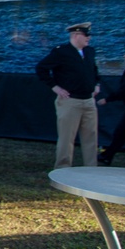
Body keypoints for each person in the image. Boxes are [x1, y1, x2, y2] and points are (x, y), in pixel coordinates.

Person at [35, 22, 101, 168]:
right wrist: (55, 87)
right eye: (86, 35)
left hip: (88, 100)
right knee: (67, 138)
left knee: (91, 137)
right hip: (70, 101)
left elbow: (94, 70)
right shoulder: (61, 52)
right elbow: (41, 68)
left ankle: (91, 168)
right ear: (76, 35)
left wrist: (96, 84)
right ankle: (63, 168)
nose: (88, 38)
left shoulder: (90, 51)